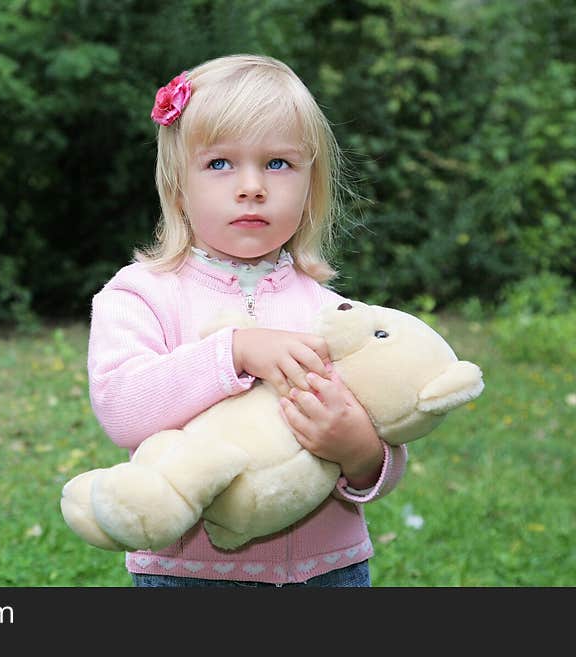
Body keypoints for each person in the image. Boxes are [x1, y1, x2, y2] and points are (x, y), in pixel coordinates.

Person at [86, 54, 407, 587]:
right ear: (177, 187)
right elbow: (123, 409)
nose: (252, 186)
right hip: (189, 574)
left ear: (311, 188)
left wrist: (361, 450)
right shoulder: (140, 294)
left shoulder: (331, 311)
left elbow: (391, 423)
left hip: (329, 571)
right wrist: (233, 351)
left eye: (278, 163)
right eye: (220, 164)